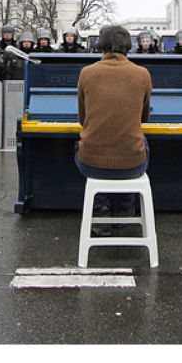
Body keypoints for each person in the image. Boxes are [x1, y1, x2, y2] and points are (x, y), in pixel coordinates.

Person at [75, 25, 152, 227]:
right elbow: (143, 118)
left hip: (91, 164)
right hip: (132, 165)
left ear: (101, 46)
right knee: (141, 143)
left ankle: (100, 209)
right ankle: (125, 208)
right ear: (128, 46)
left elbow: (83, 120)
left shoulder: (86, 73)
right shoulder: (143, 74)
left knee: (82, 145)